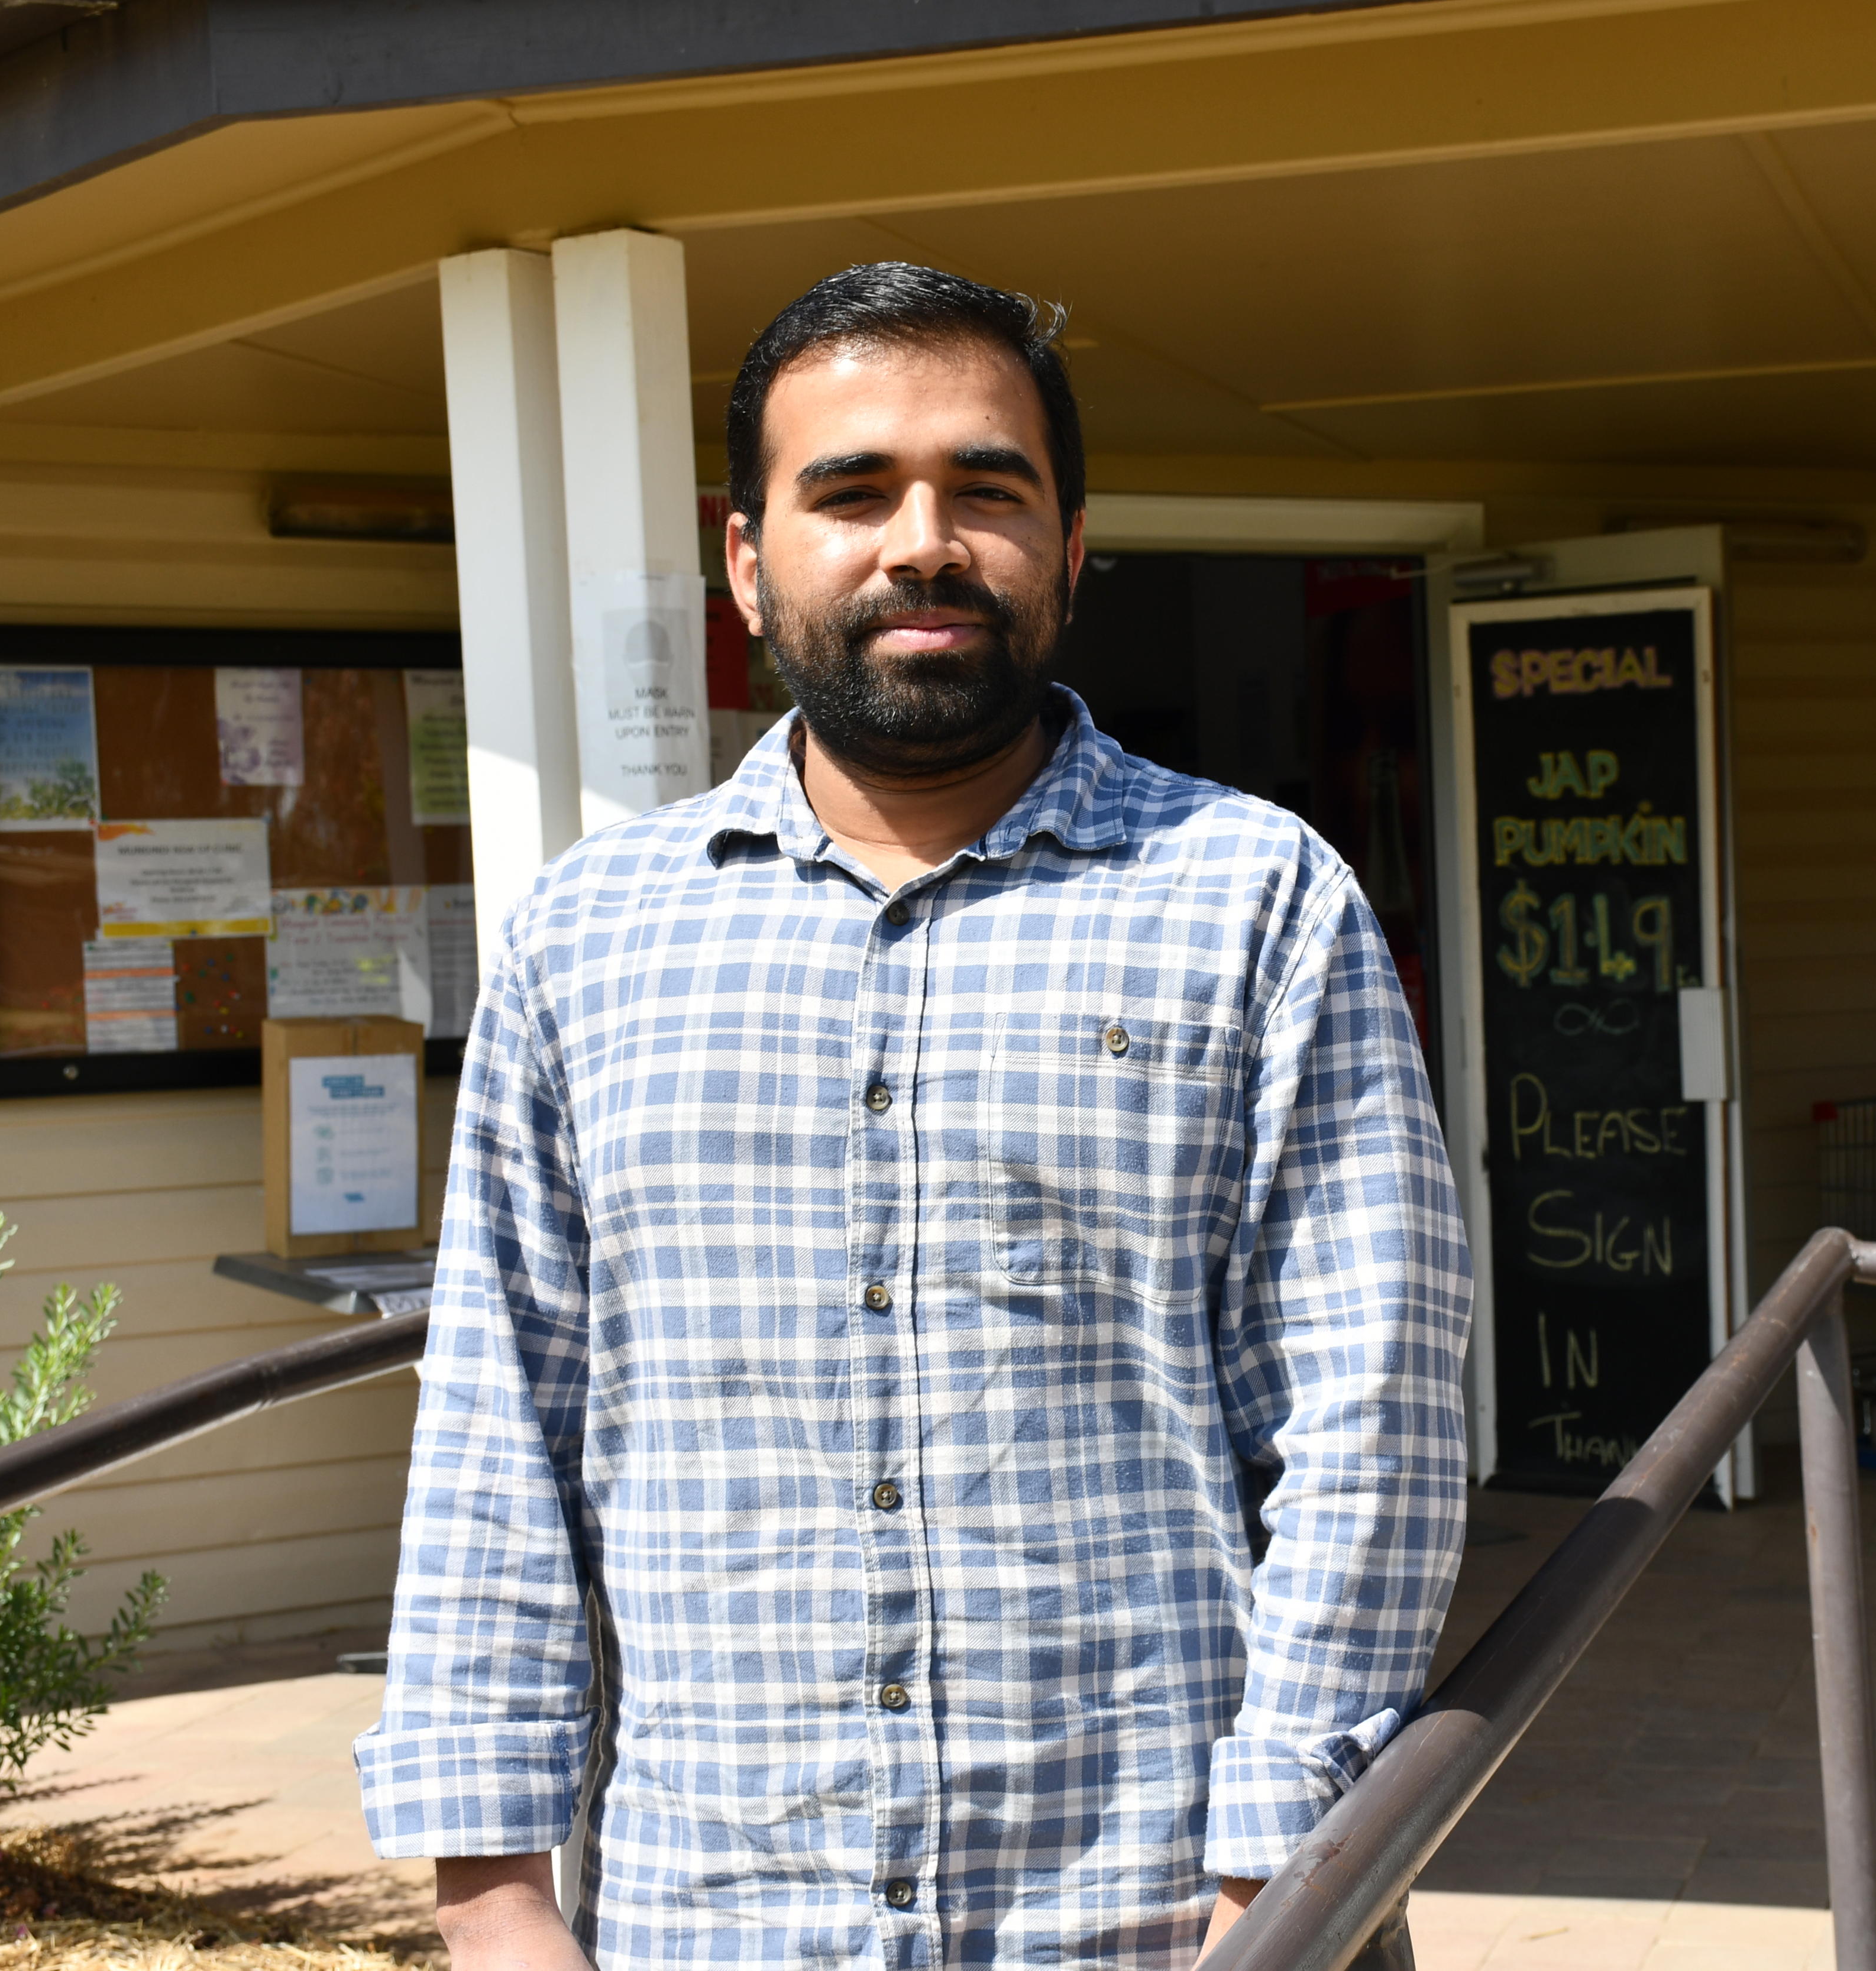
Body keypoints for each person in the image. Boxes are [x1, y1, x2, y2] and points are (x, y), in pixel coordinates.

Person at [354, 261, 1473, 1970]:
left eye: (986, 489)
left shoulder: (1254, 901)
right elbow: (502, 1427)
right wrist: (493, 1897)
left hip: (1153, 1918)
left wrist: (1279, 1882)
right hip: (708, 1921)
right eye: (852, 489)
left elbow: (1367, 1418)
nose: (923, 541)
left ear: (1073, 547)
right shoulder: (590, 941)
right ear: (748, 561)